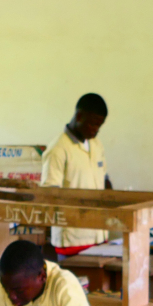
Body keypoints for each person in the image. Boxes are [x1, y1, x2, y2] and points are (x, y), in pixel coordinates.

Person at [40, 93, 113, 255]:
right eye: (93, 124)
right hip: (73, 240)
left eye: (99, 126)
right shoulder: (58, 149)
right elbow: (49, 194)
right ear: (79, 116)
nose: (96, 130)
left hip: (99, 235)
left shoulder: (96, 145)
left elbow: (105, 180)